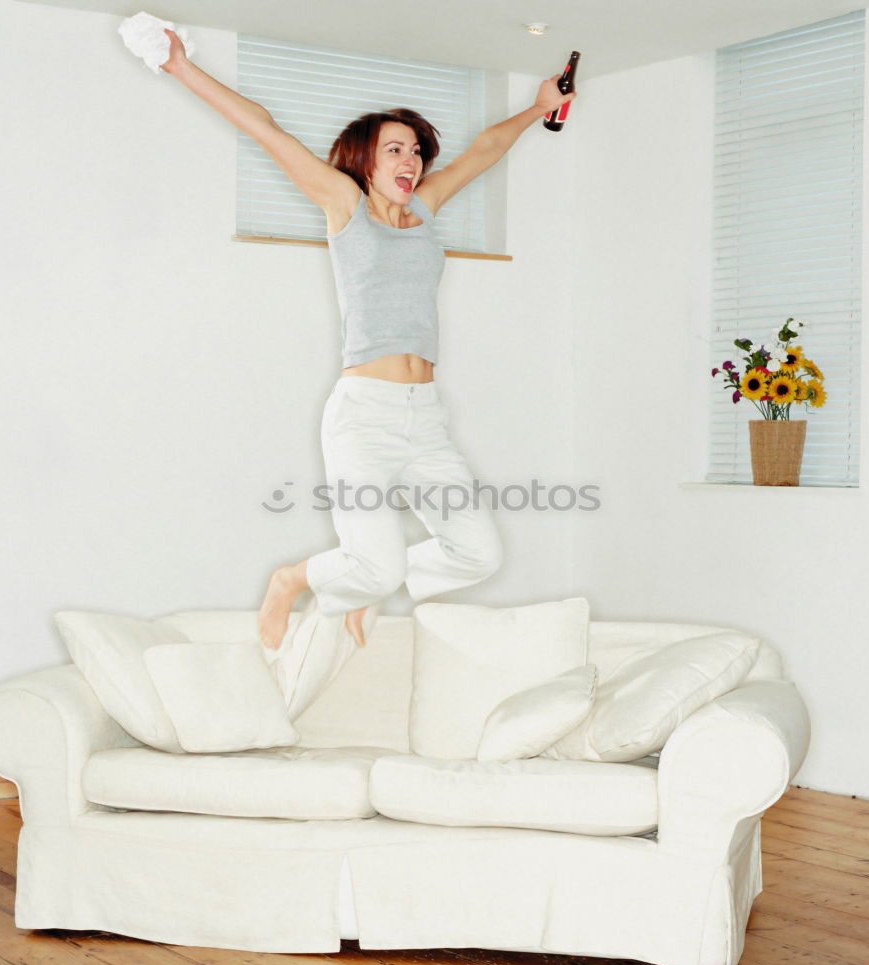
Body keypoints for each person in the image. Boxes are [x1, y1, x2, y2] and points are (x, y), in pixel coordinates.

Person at [159, 30, 576, 652]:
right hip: (364, 420)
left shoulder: (424, 212)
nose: (412, 163)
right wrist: (180, 67)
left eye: (416, 152)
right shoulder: (344, 205)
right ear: (364, 161)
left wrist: (538, 109)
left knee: (479, 553)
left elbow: (484, 151)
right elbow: (266, 129)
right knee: (377, 563)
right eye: (395, 151)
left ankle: (360, 586)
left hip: (426, 418)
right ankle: (295, 579)